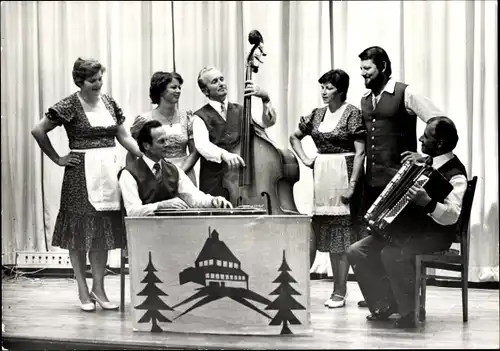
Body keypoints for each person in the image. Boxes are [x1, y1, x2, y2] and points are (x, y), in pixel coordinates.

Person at [31, 57, 143, 312]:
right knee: (79, 235)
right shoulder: (69, 104)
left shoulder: (109, 102)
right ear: (80, 81)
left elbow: (123, 135)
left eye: (100, 79)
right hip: (79, 176)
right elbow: (38, 130)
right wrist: (58, 158)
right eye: (93, 80)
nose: (98, 84)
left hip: (107, 174)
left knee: (101, 235)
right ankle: (83, 288)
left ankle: (99, 289)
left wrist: (144, 156)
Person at [347, 116, 467, 328]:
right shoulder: (426, 161)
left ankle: (409, 312)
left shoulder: (456, 175)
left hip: (435, 235)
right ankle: (386, 303)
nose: (420, 138)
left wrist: (428, 202)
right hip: (408, 233)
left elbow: (452, 216)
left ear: (439, 143)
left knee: (392, 253)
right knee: (357, 251)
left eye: (426, 136)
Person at [356, 45, 446, 308]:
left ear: (383, 67)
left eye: (368, 69)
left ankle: (407, 302)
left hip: (401, 185)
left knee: (397, 244)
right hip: (373, 183)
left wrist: (425, 157)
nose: (364, 75)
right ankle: (385, 300)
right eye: (361, 70)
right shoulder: (364, 99)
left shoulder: (406, 93)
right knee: (378, 240)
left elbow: (439, 121)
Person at [289, 69, 367, 309]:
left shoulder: (352, 113)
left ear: (341, 90)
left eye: (329, 87)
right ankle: (322, 289)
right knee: (326, 233)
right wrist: (306, 159)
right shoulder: (317, 114)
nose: (324, 92)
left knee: (344, 237)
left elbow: (361, 151)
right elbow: (294, 137)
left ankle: (342, 291)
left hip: (345, 176)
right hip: (323, 179)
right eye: (322, 86)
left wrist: (353, 185)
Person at [192, 66, 277, 199]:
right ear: (205, 91)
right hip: (215, 182)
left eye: (222, 79)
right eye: (214, 82)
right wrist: (224, 155)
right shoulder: (199, 116)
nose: (221, 83)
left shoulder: (243, 109)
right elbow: (202, 145)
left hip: (241, 181)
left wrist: (265, 98)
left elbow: (267, 122)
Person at [119, 120, 232, 216]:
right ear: (146, 145)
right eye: (162, 141)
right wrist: (160, 206)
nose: (168, 144)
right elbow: (132, 211)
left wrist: (213, 201)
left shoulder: (173, 170)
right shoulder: (128, 174)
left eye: (167, 139)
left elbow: (193, 197)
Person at [126, 71, 199, 185]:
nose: (178, 91)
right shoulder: (144, 120)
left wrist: (178, 173)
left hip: (185, 175)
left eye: (179, 87)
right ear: (161, 90)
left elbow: (194, 152)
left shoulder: (187, 116)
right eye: (173, 87)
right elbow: (132, 153)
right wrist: (130, 179)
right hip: (155, 175)